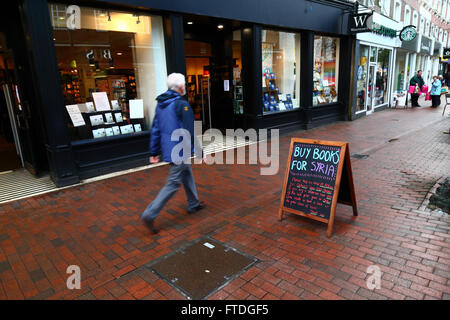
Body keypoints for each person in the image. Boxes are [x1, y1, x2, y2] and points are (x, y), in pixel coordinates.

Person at [140, 73, 205, 234]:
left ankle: (193, 203)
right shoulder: (181, 105)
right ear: (181, 87)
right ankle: (149, 214)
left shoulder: (161, 104)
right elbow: (190, 131)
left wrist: (154, 151)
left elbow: (156, 129)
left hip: (169, 149)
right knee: (173, 183)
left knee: (186, 172)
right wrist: (199, 151)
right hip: (180, 150)